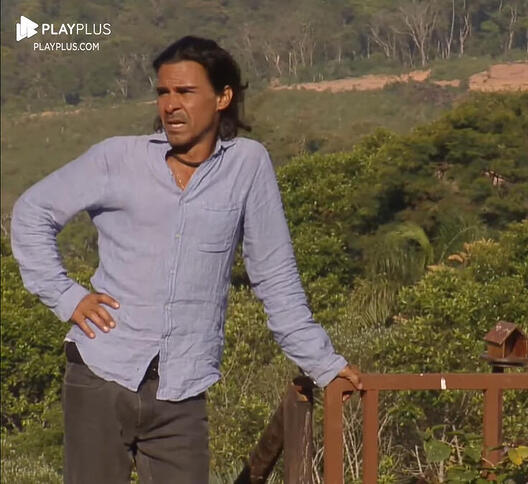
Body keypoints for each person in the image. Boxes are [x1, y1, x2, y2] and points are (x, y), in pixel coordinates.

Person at [11, 36, 362, 484]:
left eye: (186, 92)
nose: (171, 105)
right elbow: (31, 213)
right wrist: (66, 295)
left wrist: (324, 364)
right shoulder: (117, 157)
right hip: (102, 374)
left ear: (223, 97)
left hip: (183, 389)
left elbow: (274, 275)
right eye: (163, 92)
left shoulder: (248, 165)